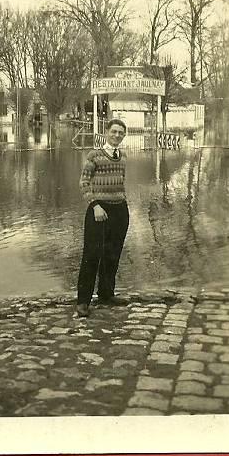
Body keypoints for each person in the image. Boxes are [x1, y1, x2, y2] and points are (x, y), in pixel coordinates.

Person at [76, 119, 129, 317]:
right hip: (98, 210)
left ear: (124, 135)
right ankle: (83, 302)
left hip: (119, 210)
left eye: (121, 133)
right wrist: (95, 205)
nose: (117, 135)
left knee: (113, 254)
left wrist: (122, 203)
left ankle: (106, 295)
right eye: (114, 131)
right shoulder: (94, 155)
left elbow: (120, 182)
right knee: (92, 255)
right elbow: (84, 183)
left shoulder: (123, 156)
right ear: (106, 132)